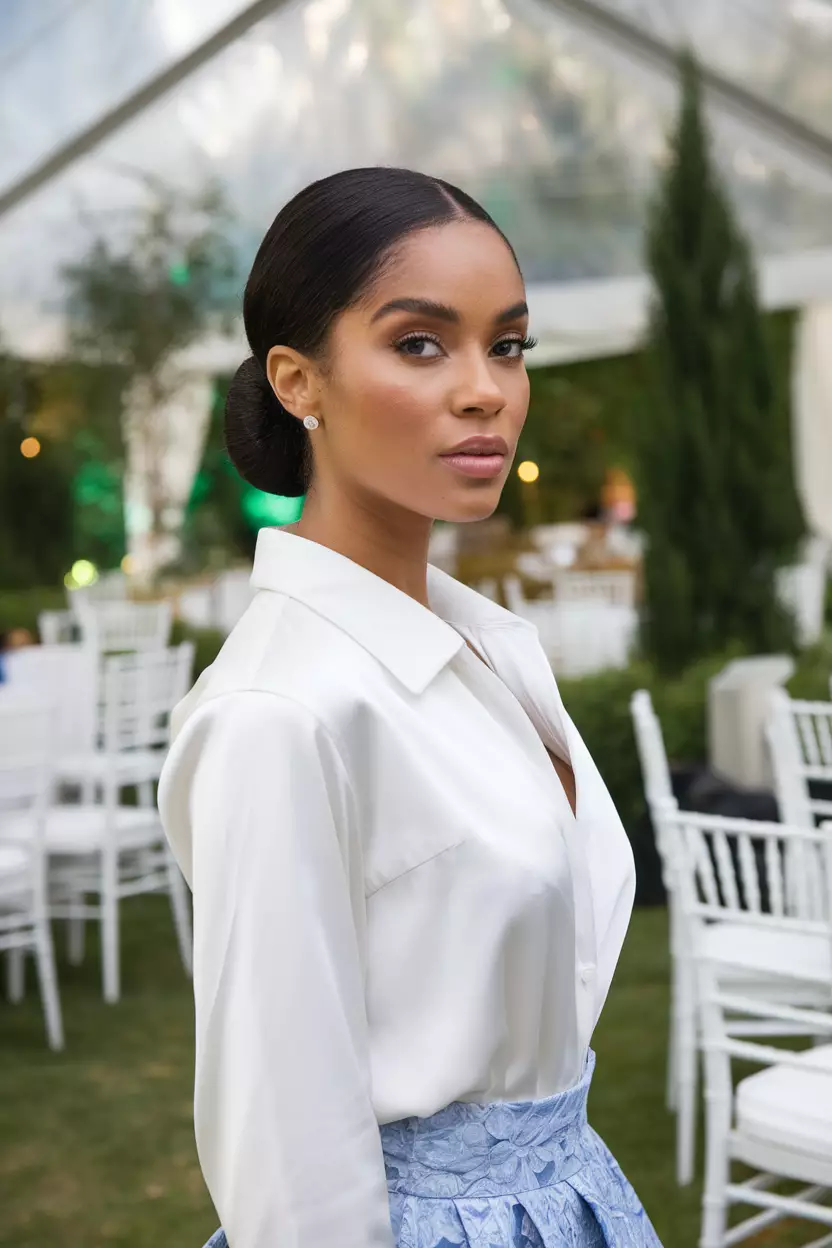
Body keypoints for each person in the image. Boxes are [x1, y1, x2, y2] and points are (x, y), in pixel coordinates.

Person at [157, 166, 661, 1248]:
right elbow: (285, 1171)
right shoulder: (278, 715)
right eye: (420, 344)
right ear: (299, 380)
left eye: (508, 345)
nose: (485, 389)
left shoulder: (485, 646)